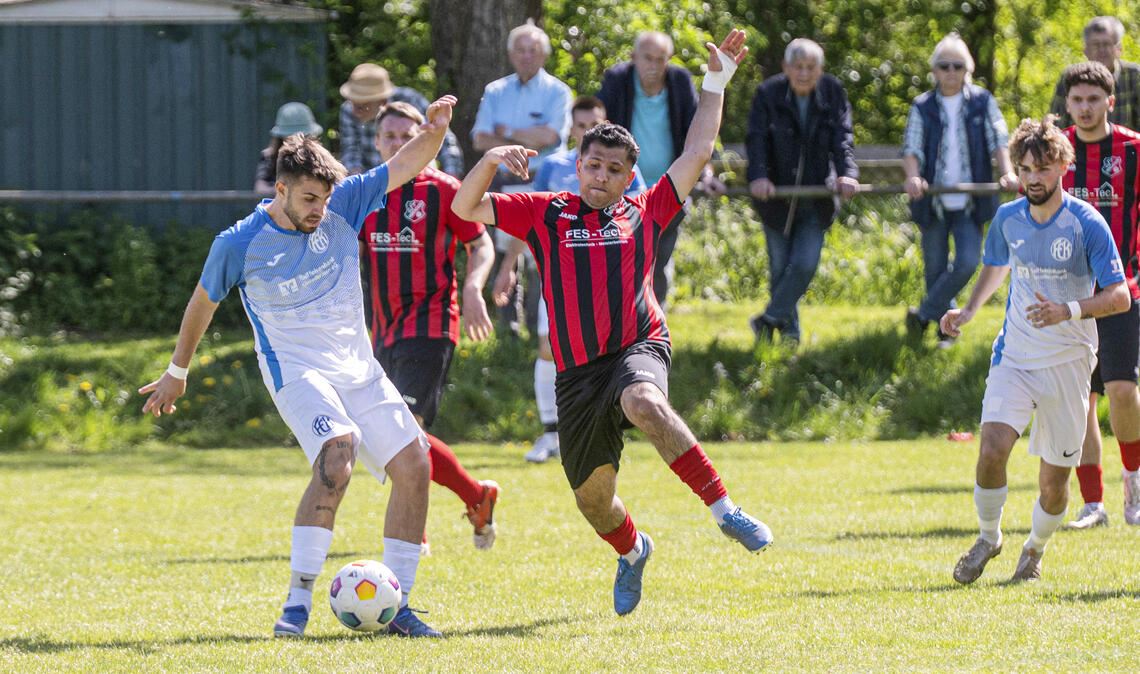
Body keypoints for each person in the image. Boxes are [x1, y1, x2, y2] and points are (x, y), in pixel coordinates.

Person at [454, 29, 772, 617]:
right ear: (578, 165)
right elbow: (464, 208)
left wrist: (717, 80)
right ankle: (633, 552)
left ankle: (725, 510)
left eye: (613, 168)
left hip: (636, 345)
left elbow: (698, 149)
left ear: (630, 176)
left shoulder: (646, 210)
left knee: (645, 403)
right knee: (595, 504)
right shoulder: (546, 212)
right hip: (576, 375)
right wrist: (492, 160)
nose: (600, 174)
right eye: (592, 164)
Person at [139, 95, 460, 638]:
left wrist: (432, 132)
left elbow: (404, 165)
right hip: (296, 372)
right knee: (339, 455)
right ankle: (297, 600)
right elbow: (203, 301)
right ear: (281, 189)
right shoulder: (238, 242)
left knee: (416, 466)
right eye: (309, 198)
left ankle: (398, 607)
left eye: (325, 198)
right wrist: (178, 370)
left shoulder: (343, 204)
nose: (319, 209)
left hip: (359, 368)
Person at [941, 116, 1129, 585]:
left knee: (1053, 485)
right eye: (1025, 169)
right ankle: (988, 537)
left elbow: (1120, 296)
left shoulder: (1087, 223)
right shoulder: (1007, 218)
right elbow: (995, 266)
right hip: (1017, 357)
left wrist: (1068, 309)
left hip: (1069, 363)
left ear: (1062, 167)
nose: (1033, 179)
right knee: (991, 448)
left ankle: (1035, 549)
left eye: (1042, 169)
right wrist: (967, 312)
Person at [359, 101, 501, 548]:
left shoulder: (442, 190)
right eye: (390, 137)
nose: (399, 144)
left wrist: (475, 288)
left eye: (408, 136)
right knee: (396, 435)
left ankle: (410, 531)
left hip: (431, 323)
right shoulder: (364, 193)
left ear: (424, 137)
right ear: (377, 142)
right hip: (382, 331)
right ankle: (476, 495)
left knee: (402, 430)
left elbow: (481, 246)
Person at [491, 96, 646, 464]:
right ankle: (550, 432)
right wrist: (508, 264)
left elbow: (639, 223)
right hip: (562, 280)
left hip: (611, 283)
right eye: (579, 126)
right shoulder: (552, 167)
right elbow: (527, 220)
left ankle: (607, 425)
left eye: (592, 123)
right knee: (548, 348)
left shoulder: (626, 167)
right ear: (573, 132)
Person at [1055, 62, 1140, 529]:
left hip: (1122, 290)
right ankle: (1093, 503)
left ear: (1110, 102)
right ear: (1067, 104)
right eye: (1077, 100)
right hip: (1068, 296)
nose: (1085, 108)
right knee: (1080, 401)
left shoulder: (1133, 149)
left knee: (1123, 390)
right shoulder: (1056, 153)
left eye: (1094, 100)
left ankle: (1134, 481)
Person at [902, 34, 1018, 348]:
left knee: (967, 262)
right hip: (933, 200)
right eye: (944, 66)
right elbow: (912, 147)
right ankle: (944, 331)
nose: (951, 72)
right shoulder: (922, 106)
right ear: (935, 70)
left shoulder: (982, 101)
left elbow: (999, 139)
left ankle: (923, 314)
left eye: (958, 66)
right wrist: (913, 177)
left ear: (967, 69)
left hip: (971, 200)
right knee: (935, 269)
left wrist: (1007, 172)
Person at [597, 31, 726, 309]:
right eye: (648, 58)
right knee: (621, 259)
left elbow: (698, 130)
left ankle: (656, 318)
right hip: (625, 191)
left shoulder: (678, 82)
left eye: (660, 59)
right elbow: (601, 128)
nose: (654, 66)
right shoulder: (617, 80)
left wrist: (706, 173)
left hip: (669, 188)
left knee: (659, 259)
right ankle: (622, 316)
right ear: (634, 58)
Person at [746, 38, 859, 344]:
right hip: (776, 198)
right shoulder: (768, 94)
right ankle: (790, 334)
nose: (804, 73)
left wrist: (848, 174)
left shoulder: (833, 92)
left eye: (811, 67)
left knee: (806, 263)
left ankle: (768, 320)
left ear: (820, 70)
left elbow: (843, 138)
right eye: (798, 67)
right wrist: (758, 176)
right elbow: (756, 140)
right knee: (781, 268)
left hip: (816, 198)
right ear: (786, 68)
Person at [471, 21, 573, 338]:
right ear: (511, 54)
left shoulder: (557, 91)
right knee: (505, 252)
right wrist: (527, 137)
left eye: (533, 50)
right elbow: (479, 139)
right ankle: (507, 328)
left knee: (541, 255)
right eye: (520, 50)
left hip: (543, 182)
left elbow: (551, 135)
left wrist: (506, 134)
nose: (526, 56)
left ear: (543, 55)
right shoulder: (495, 91)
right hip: (504, 183)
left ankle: (537, 323)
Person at [338, 62, 464, 177]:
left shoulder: (411, 100)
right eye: (352, 101)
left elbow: (445, 141)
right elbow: (351, 153)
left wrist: (450, 179)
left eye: (361, 106)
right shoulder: (348, 110)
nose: (354, 110)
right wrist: (359, 187)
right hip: (376, 182)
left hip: (420, 176)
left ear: (382, 101)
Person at [1049, 16, 1140, 132]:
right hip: (1078, 148)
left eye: (1107, 44)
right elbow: (1056, 126)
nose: (1102, 50)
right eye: (1096, 45)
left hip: (1127, 147)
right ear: (1085, 50)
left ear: (1119, 49)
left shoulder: (1135, 76)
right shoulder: (1070, 77)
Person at [255, 102, 323, 195]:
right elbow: (260, 188)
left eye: (303, 136)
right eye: (291, 137)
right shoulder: (269, 156)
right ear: (281, 137)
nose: (297, 141)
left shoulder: (318, 156)